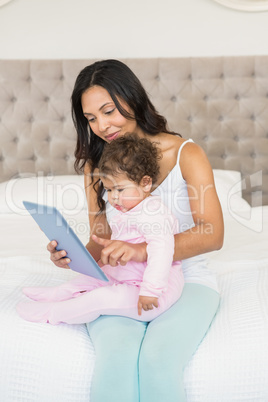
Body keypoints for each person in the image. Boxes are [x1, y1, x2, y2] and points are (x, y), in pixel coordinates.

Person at [46, 59, 224, 402]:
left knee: (158, 361)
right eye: (91, 118)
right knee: (117, 360)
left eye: (109, 110)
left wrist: (144, 251)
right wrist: (73, 255)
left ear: (132, 98)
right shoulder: (97, 167)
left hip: (189, 279)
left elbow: (212, 233)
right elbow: (101, 238)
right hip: (122, 280)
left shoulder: (186, 153)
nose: (101, 126)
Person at [17, 134, 184, 324]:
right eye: (109, 190)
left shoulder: (154, 213)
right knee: (88, 279)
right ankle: (56, 294)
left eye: (120, 190)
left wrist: (150, 291)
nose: (113, 198)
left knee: (101, 298)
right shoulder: (129, 208)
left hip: (153, 293)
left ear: (145, 183)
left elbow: (162, 251)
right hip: (127, 276)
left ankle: (53, 313)